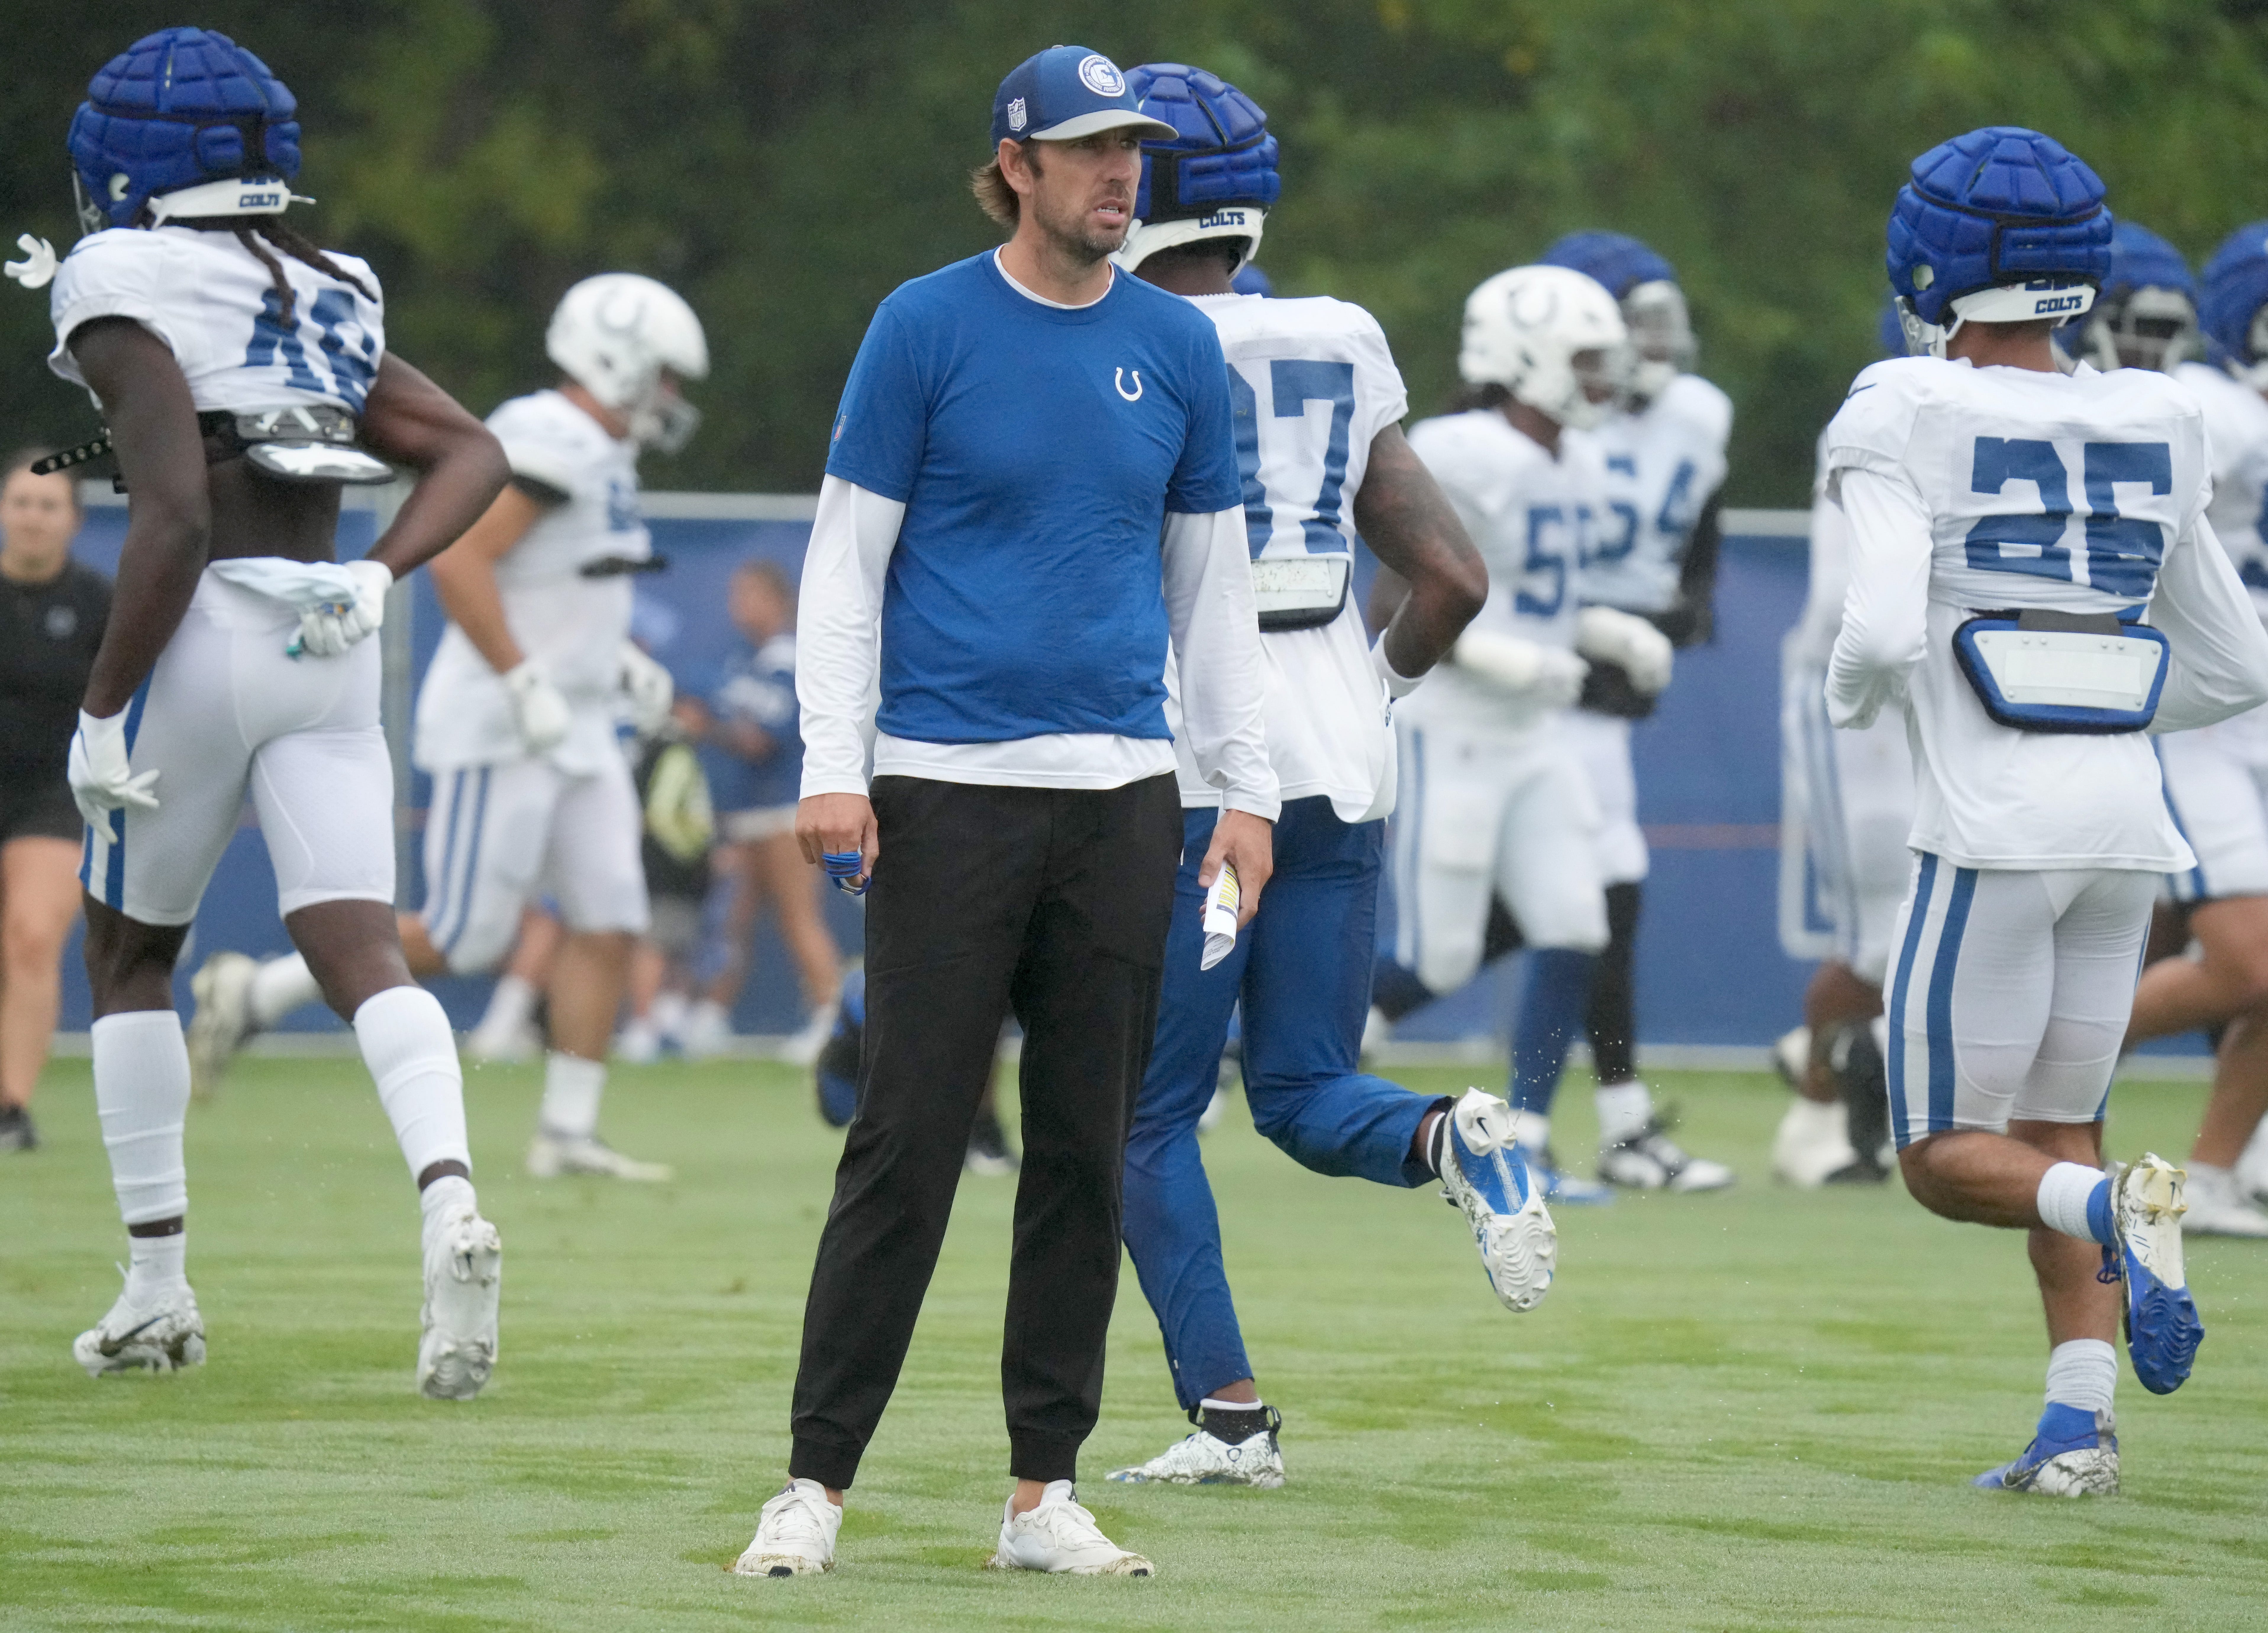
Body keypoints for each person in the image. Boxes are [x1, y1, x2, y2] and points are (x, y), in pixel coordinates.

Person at [733, 45, 1275, 1581]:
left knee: (1086, 1155)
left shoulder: (1180, 349)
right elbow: (843, 565)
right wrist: (828, 762)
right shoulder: (923, 325)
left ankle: (1045, 1490)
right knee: (904, 1142)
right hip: (943, 791)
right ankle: (814, 1484)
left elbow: (1213, 593)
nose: (1124, 177)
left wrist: (1245, 792)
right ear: (1017, 165)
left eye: (1138, 155)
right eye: (1093, 151)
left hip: (1122, 801)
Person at [17, 27, 510, 1393]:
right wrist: (374, 574)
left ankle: (157, 1287)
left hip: (208, 624)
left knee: (128, 957)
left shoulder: (120, 271)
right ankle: (450, 1198)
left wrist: (104, 706)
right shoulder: (333, 277)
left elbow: (171, 511)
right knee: (362, 947)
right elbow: (473, 447)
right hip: (327, 633)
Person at [1094, 62, 1547, 1492]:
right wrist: (1374, 683)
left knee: (1141, 1116)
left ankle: (1227, 1420)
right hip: (1340, 758)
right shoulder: (1342, 334)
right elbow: (1452, 578)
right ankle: (1450, 1141)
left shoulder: (1111, 334)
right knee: (1297, 1087)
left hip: (1187, 761)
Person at [1825, 125, 2268, 1495]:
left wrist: (1856, 702)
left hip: (1989, 834)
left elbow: (1884, 632)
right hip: (2126, 830)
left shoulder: (1902, 402)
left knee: (1944, 1157)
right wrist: (2108, 711)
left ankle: (2130, 1214)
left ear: (1928, 264)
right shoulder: (2160, 411)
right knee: (2056, 1124)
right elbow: (2237, 664)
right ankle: (2078, 1429)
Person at [192, 272, 707, 1182]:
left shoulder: (600, 449)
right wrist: (522, 679)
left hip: (578, 720)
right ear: (619, 359)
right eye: (662, 375)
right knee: (469, 934)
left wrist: (610, 660)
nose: (668, 397)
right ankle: (259, 988)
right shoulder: (549, 433)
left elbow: (566, 578)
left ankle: (567, 1130)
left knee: (611, 915)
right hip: (507, 724)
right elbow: (463, 557)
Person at [1369, 263, 1654, 1204]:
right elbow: (1395, 600)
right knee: (1443, 956)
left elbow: (1542, 604)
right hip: (1454, 729)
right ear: (1522, 357)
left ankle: (1523, 1135)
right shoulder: (1460, 449)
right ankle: (1273, 1051)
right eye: (1583, 358)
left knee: (1576, 921)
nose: (1601, 377)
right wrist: (1498, 659)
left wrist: (1601, 631)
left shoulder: (1569, 458)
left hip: (1536, 737)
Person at [1534, 230, 1736, 1192]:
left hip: (1605, 696)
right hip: (1531, 685)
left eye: (1662, 320)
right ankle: (1355, 1024)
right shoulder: (1540, 426)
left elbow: (1700, 538)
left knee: (1594, 898)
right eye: (1632, 322)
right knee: (1577, 900)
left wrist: (1681, 611)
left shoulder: (1695, 417)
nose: (1654, 341)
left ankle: (1610, 1124)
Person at [2120, 221, 2268, 1234]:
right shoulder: (2209, 411)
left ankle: (2213, 1171)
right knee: (2250, 961)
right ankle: (2004, 1063)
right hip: (2199, 718)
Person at [1772, 304, 1915, 1189]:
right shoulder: (1877, 415)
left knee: (1925, 921)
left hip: (1939, 695)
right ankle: (1818, 1104)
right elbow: (1841, 598)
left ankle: (1825, 1065)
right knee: (1876, 934)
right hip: (1858, 693)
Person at [676, 559, 842, 1064]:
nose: (739, 607)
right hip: (748, 810)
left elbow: (759, 740)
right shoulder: (740, 660)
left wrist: (703, 726)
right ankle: (709, 1018)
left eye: (750, 595)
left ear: (779, 601)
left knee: (798, 916)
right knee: (733, 919)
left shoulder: (786, 660)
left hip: (783, 807)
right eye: (735, 596)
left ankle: (834, 1020)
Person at [0, 450, 108, 1152]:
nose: (32, 517)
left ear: (73, 519)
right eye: (20, 502)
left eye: (48, 505)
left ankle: (10, 1110)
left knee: (33, 933)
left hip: (54, 792)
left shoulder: (101, 602)